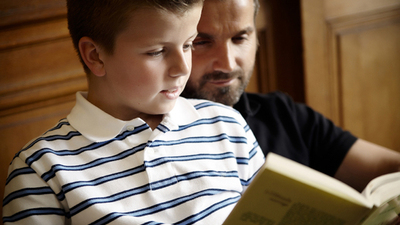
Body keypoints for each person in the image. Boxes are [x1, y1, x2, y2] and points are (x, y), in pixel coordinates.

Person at [2, 0, 265, 224]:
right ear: (95, 55)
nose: (183, 68)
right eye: (157, 51)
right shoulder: (40, 170)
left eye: (188, 45)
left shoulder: (228, 127)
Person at [181, 0, 400, 193]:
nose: (228, 63)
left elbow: (391, 168)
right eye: (202, 42)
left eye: (239, 38)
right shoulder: (153, 143)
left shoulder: (283, 115)